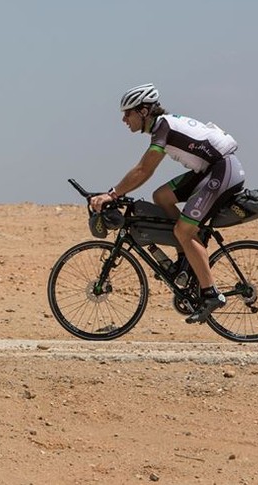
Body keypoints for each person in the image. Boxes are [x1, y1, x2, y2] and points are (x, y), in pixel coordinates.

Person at [89, 83, 246, 323]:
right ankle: (186, 257)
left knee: (184, 229)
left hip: (222, 170)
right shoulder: (162, 127)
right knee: (161, 197)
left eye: (127, 113)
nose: (124, 119)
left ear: (143, 111)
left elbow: (144, 169)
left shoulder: (163, 126)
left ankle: (211, 293)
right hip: (209, 170)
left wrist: (112, 194)